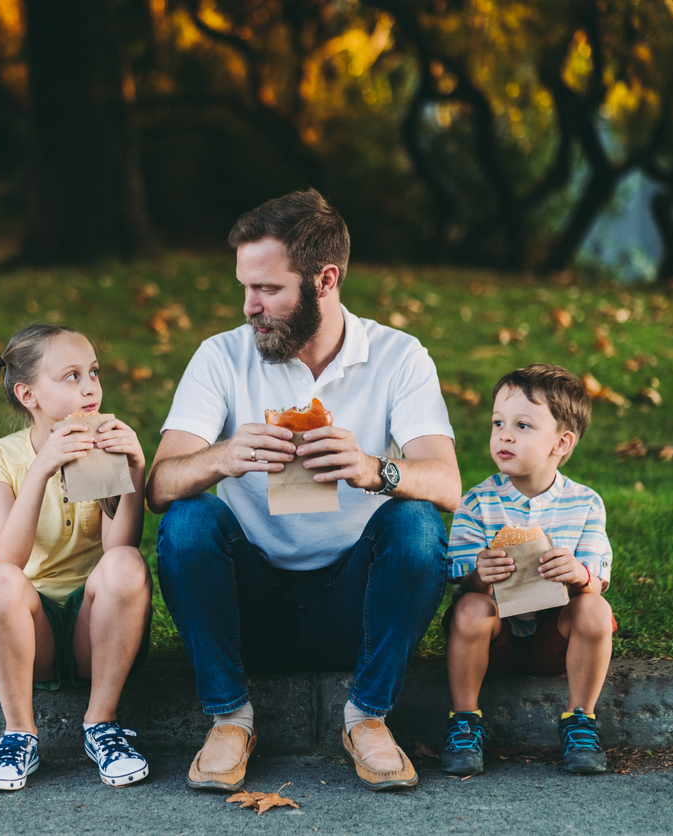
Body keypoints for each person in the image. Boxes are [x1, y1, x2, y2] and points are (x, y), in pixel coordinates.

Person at [146, 189, 462, 792]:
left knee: (418, 525)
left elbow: (446, 484)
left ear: (325, 279)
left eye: (268, 290)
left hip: (355, 604)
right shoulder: (221, 356)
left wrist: (375, 470)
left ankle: (366, 715)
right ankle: (230, 718)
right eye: (245, 287)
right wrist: (224, 456)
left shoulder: (399, 356)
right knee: (189, 519)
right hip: (249, 604)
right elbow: (159, 486)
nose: (249, 307)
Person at [0, 324, 152, 791]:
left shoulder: (102, 441)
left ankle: (101, 724)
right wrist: (44, 467)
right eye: (71, 376)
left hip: (98, 627)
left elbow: (117, 549)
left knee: (129, 564)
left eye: (93, 373)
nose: (90, 387)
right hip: (30, 634)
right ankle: (18, 734)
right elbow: (10, 555)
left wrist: (135, 470)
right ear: (28, 394)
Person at [440, 363, 616, 776]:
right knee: (469, 607)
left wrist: (577, 573)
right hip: (493, 637)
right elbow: (457, 577)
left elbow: (599, 577)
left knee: (596, 610)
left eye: (522, 425)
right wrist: (481, 571)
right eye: (498, 422)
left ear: (561, 442)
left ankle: (581, 720)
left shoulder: (585, 502)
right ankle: (464, 720)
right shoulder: (477, 501)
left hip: (555, 639)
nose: (504, 434)